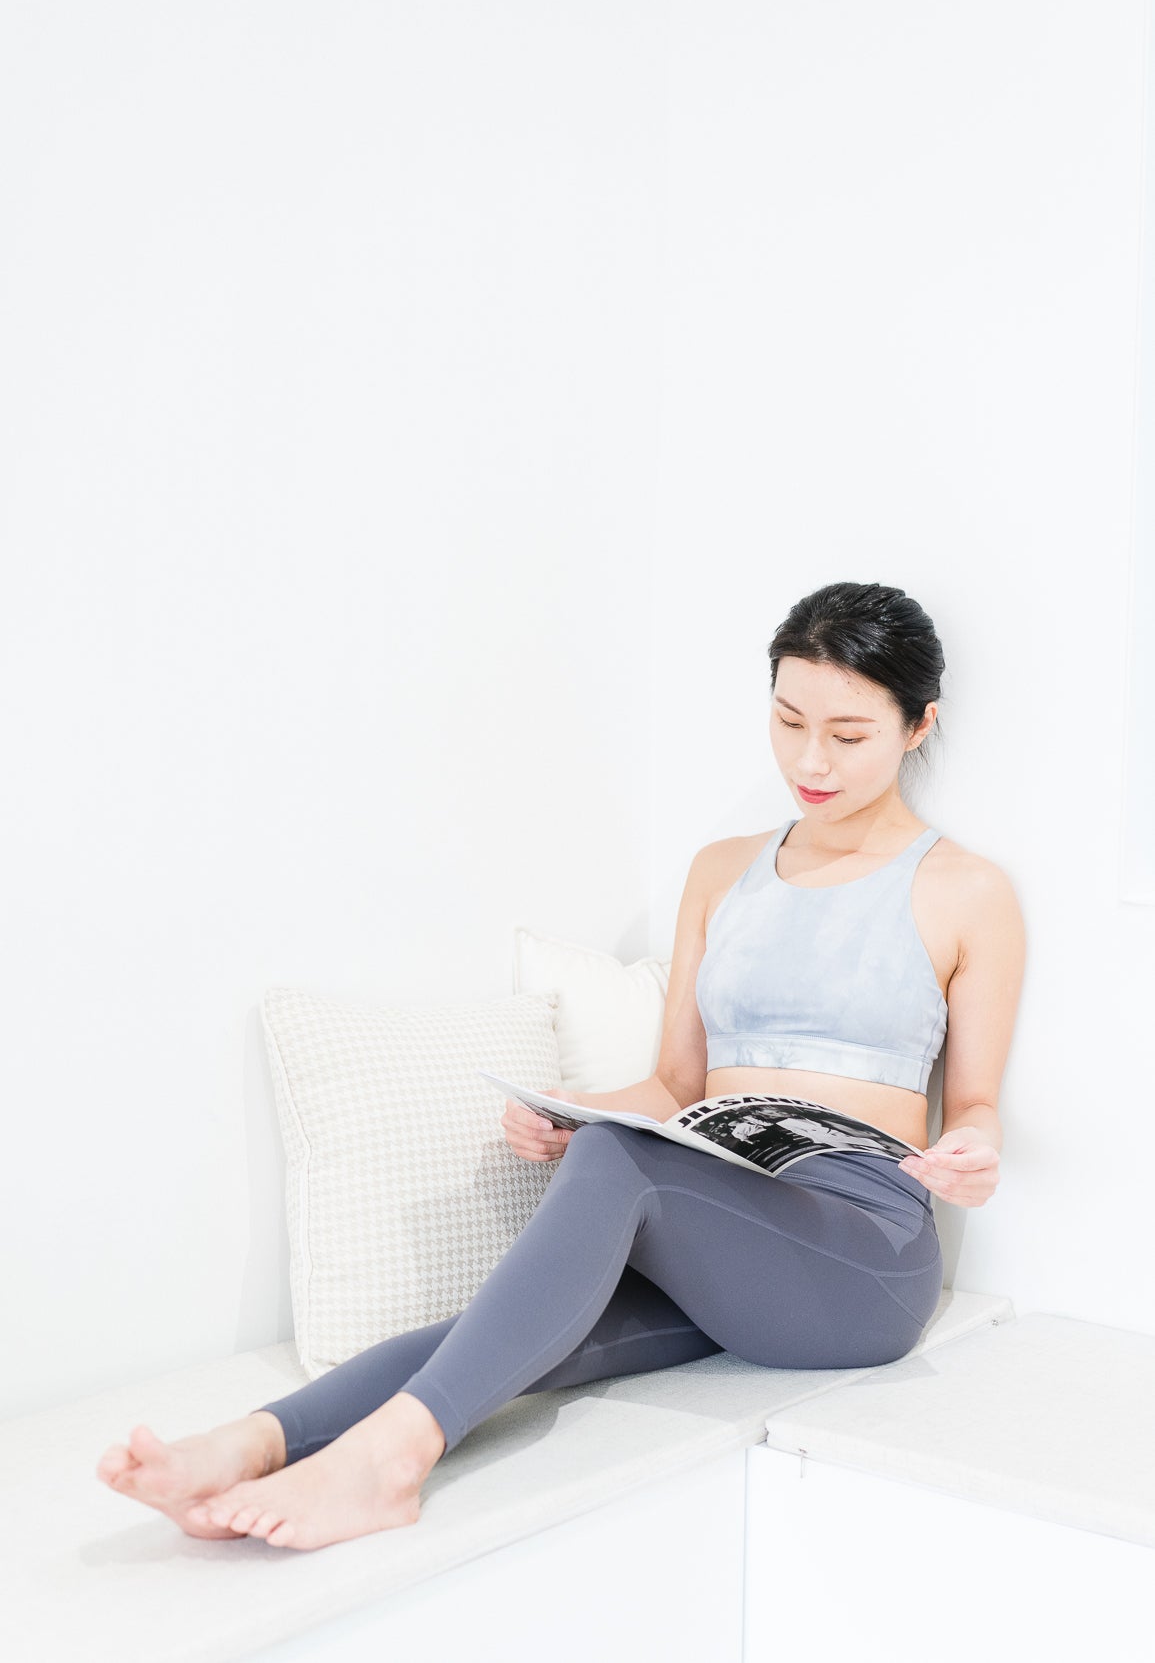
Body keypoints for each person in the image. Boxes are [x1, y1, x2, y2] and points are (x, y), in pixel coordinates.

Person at [95, 580, 1026, 1552]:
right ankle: (256, 1439)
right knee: (521, 1318)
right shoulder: (723, 870)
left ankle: (389, 1464)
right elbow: (674, 1087)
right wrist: (571, 1113)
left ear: (919, 726)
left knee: (620, 1166)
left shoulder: (967, 890)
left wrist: (974, 1153)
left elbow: (973, 1105)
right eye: (789, 719)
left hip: (861, 1257)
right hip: (733, 1229)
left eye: (848, 733)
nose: (808, 758)